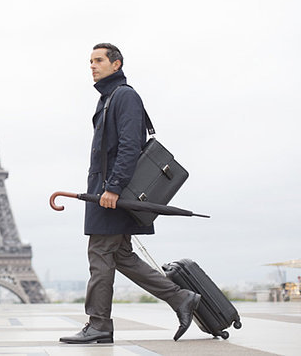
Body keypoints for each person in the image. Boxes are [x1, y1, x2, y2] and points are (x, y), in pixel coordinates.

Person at [59, 44, 200, 344]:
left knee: (100, 255)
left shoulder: (124, 96)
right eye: (90, 61)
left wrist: (113, 187)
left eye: (99, 60)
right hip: (104, 191)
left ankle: (99, 325)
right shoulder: (110, 98)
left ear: (116, 63)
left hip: (110, 193)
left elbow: (129, 146)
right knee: (121, 256)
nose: (92, 66)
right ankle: (181, 298)